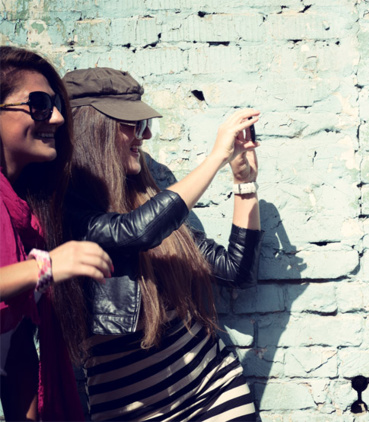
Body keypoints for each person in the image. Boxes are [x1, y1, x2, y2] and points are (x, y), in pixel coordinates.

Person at [56, 67, 263, 421]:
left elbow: (234, 270)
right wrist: (214, 158)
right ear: (94, 130)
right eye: (133, 125)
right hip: (130, 412)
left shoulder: (150, 185)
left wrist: (244, 182)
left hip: (214, 391)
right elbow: (133, 233)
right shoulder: (62, 206)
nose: (146, 134)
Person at [0, 46, 113, 421]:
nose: (60, 118)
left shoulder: (24, 215)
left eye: (56, 105)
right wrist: (46, 267)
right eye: (39, 104)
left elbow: (15, 345)